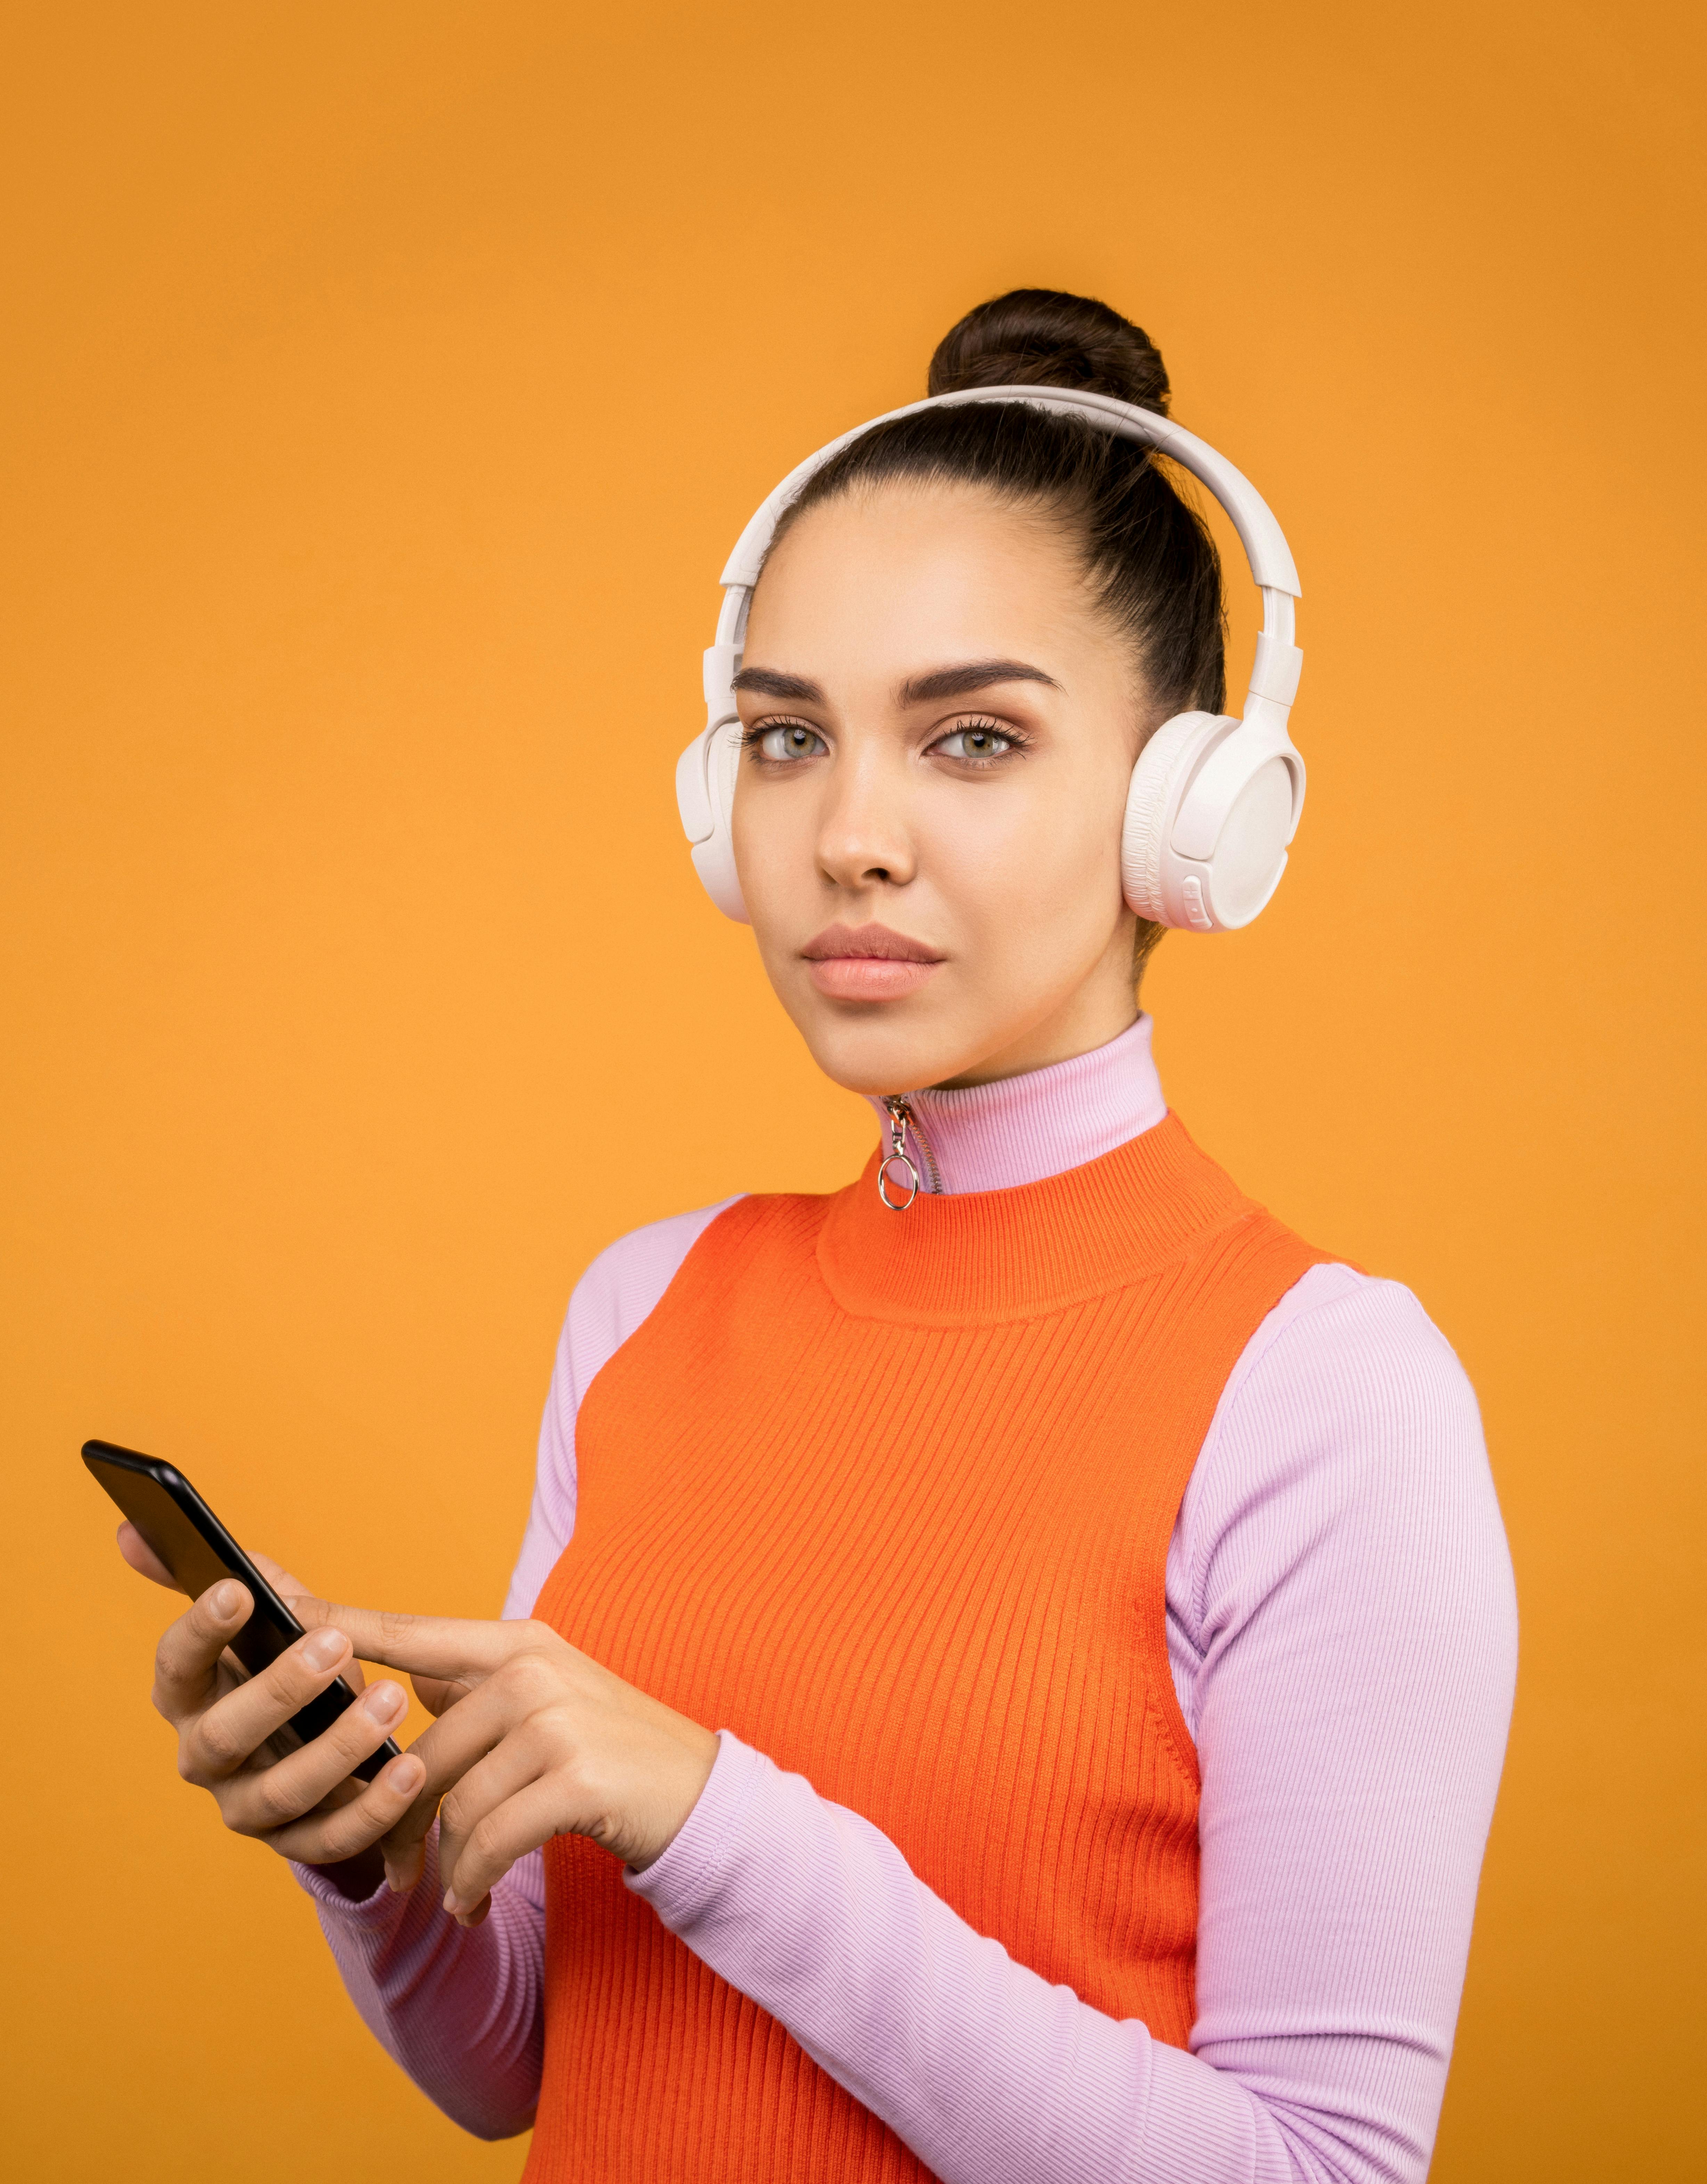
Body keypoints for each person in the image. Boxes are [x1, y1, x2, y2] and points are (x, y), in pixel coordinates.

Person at [120, 289, 1518, 2184]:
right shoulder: (648, 1306)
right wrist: (366, 1850)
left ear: (1191, 807)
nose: (849, 836)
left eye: (971, 742)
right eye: (786, 742)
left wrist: (715, 1817)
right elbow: (523, 2063)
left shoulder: (1329, 1394)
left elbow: (1319, 2175)